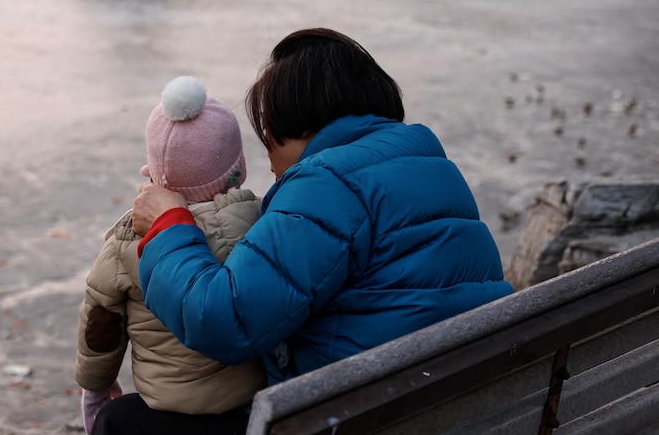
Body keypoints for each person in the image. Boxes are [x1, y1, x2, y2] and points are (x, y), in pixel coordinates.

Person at [99, 27, 514, 431]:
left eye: (270, 139)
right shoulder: (433, 166)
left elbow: (224, 319)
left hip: (357, 416)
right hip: (460, 404)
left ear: (299, 125)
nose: (270, 160)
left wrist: (168, 223)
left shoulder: (326, 183)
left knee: (120, 420)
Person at [76, 76, 266, 434]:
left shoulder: (127, 240)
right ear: (238, 167)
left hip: (166, 409)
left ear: (153, 173)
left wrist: (95, 388)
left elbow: (101, 326)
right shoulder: (263, 221)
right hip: (251, 401)